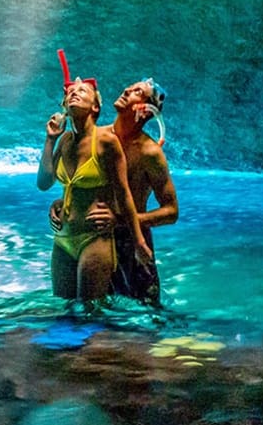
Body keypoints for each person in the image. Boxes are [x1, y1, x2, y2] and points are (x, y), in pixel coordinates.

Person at [50, 78, 178, 306]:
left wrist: (121, 220)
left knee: (146, 316)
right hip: (93, 237)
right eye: (129, 86)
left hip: (132, 244)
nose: (127, 89)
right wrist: (63, 202)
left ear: (147, 111)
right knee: (84, 310)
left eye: (137, 91)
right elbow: (82, 182)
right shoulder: (98, 138)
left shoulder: (149, 153)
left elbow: (171, 211)